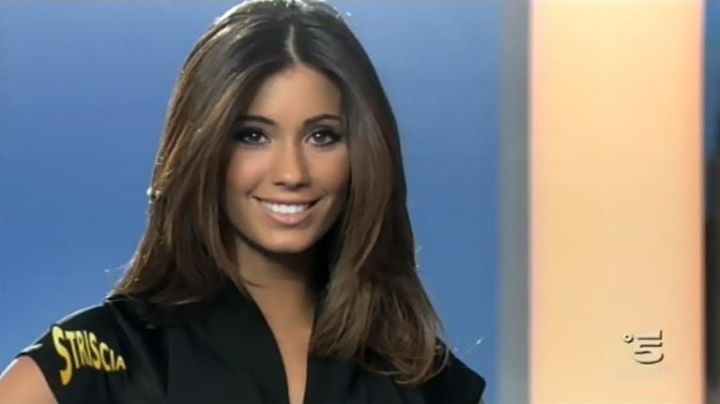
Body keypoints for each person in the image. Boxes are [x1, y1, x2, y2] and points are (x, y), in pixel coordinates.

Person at [0, 0, 487, 403]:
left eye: (322, 136)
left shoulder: (427, 384)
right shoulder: (100, 364)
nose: (292, 173)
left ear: (365, 154)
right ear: (202, 149)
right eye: (253, 135)